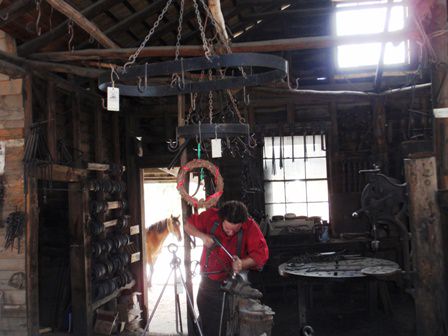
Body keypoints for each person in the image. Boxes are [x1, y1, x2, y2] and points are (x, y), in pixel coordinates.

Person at [184, 200, 269, 336]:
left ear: (242, 223)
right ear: (221, 219)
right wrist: (202, 236)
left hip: (233, 284)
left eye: (235, 230)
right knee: (208, 323)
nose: (230, 233)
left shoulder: (250, 225)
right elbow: (187, 225)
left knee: (230, 324)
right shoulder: (211, 217)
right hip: (208, 282)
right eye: (227, 229)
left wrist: (242, 263)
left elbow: (262, 254)